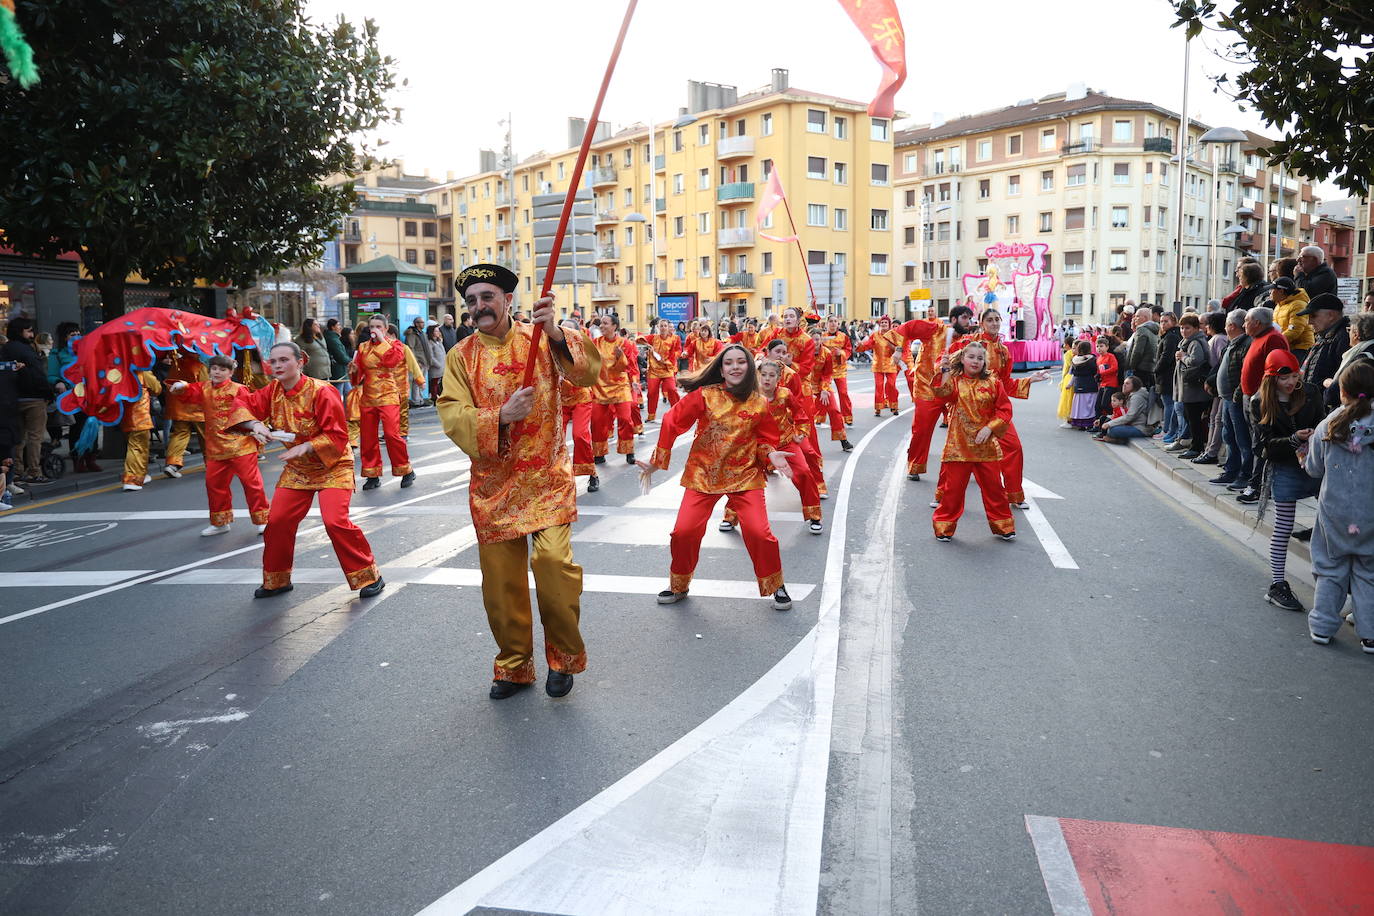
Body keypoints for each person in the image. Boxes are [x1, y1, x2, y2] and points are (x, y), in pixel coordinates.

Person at [436, 263, 600, 699]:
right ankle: (514, 666)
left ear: (507, 300)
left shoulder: (540, 339)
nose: (478, 307)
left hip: (546, 478)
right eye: (471, 302)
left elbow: (586, 374)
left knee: (552, 566)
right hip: (494, 486)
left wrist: (559, 334)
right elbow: (452, 415)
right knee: (501, 584)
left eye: (487, 297)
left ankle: (563, 658)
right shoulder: (461, 357)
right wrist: (500, 417)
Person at [641, 344, 795, 610]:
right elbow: (672, 421)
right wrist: (657, 462)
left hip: (744, 476)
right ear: (721, 369)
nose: (735, 367)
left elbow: (765, 440)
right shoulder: (705, 396)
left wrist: (770, 455)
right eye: (728, 363)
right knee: (683, 532)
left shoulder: (760, 403)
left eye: (740, 362)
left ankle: (774, 583)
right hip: (704, 475)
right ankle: (679, 585)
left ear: (749, 367)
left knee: (759, 533)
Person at [228, 341, 384, 600]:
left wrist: (308, 446)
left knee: (335, 521)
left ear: (300, 362)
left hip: (333, 465)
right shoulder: (272, 391)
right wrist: (256, 425)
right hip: (299, 469)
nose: (277, 366)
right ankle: (277, 580)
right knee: (277, 522)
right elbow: (243, 405)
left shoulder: (323, 391)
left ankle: (369, 576)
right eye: (273, 361)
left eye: (283, 360)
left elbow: (337, 434)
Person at [1302, 361, 1374, 652]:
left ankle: (1322, 626)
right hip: (1369, 513)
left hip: (1334, 512)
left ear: (1342, 391)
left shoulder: (1329, 425)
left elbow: (1314, 469)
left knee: (1330, 569)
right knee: (1368, 573)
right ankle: (1369, 634)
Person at [1251, 350, 1324, 612]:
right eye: (1285, 379)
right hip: (1285, 467)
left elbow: (1322, 421)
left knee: (1329, 522)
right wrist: (1294, 439)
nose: (1292, 383)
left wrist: (1317, 434)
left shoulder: (1311, 391)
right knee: (1283, 527)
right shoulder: (1259, 401)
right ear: (1272, 379)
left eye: (1295, 376)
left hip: (1316, 464)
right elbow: (1262, 447)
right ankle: (1277, 584)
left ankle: (1336, 583)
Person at [166, 355, 270, 536]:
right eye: (214, 369)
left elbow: (250, 410)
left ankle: (263, 520)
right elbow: (189, 391)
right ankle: (221, 523)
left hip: (240, 445)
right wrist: (181, 386)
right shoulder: (204, 388)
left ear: (230, 372)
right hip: (215, 447)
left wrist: (257, 429)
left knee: (252, 484)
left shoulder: (239, 389)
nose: (217, 372)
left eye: (222, 370)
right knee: (214, 485)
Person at [930, 341, 1015, 541]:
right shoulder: (956, 380)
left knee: (995, 490)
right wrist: (944, 371)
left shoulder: (993, 382)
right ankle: (944, 527)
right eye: (971, 357)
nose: (975, 361)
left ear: (985, 362)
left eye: (980, 358)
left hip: (985, 446)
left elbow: (1005, 410)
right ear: (962, 358)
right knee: (953, 491)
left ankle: (1004, 526)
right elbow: (942, 394)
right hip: (958, 446)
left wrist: (990, 428)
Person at [902, 305, 976, 480]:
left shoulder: (968, 340)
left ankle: (968, 464)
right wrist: (899, 350)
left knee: (969, 426)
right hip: (927, 389)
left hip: (952, 391)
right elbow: (904, 329)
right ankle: (915, 465)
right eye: (965, 318)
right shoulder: (934, 329)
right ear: (954, 319)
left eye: (970, 319)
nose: (969, 322)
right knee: (921, 430)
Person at [350, 314, 414, 490]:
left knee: (392, 434)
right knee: (368, 438)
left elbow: (392, 361)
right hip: (368, 396)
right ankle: (372, 475)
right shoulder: (362, 347)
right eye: (372, 327)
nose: (374, 330)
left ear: (386, 329)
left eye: (378, 327)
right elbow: (357, 378)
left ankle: (405, 470)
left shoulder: (396, 345)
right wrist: (354, 370)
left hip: (388, 394)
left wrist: (382, 341)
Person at [1236, 306, 1292, 504]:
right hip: (1250, 397)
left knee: (1260, 444)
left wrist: (1262, 396)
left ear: (1257, 323)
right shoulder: (1258, 337)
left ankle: (1256, 487)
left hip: (1262, 400)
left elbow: (1278, 372)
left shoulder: (1273, 338)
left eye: (1247, 321)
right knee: (1254, 443)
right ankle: (1255, 483)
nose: (1244, 325)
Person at [1, 317, 54, 484]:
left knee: (18, 437)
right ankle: (34, 471)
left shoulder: (5, 349)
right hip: (34, 398)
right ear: (20, 332)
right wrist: (49, 393)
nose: (32, 334)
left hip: (13, 398)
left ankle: (17, 471)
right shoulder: (27, 350)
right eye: (29, 331)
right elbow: (37, 375)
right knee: (35, 437)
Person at [1208, 308, 1255, 490]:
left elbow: (1243, 373)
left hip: (1235, 398)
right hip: (1227, 397)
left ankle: (1244, 474)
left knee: (1241, 438)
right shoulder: (1233, 342)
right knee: (1229, 435)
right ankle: (1231, 470)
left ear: (1231, 326)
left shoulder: (1245, 343)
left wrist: (1236, 394)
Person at [46, 321, 100, 472]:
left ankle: (91, 458)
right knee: (78, 427)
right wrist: (58, 382)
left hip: (92, 393)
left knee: (93, 424)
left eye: (78, 334)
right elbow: (51, 375)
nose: (76, 336)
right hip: (73, 395)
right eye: (72, 334)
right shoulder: (57, 354)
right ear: (64, 337)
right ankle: (78, 459)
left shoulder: (88, 350)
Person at [590, 313, 639, 466]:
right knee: (597, 421)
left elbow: (630, 366)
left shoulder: (625, 344)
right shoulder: (595, 343)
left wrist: (621, 358)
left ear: (614, 326)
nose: (602, 326)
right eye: (601, 324)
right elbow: (588, 363)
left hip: (620, 386)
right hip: (600, 387)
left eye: (605, 323)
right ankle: (599, 453)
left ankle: (628, 450)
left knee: (625, 418)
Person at [558, 317, 598, 492]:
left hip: (581, 397)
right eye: (561, 330)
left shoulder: (583, 350)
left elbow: (589, 372)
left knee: (580, 435)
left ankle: (592, 473)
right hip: (560, 400)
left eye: (568, 330)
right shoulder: (551, 349)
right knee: (555, 439)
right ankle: (559, 477)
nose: (563, 333)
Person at [1296, 293, 1351, 411]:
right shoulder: (1324, 335)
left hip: (1327, 408)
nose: (1309, 322)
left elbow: (1344, 378)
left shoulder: (1344, 338)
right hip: (1315, 405)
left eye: (1313, 316)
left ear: (1331, 315)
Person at [1171, 314, 1212, 460]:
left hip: (1194, 388)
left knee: (1193, 418)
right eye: (1182, 328)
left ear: (1196, 328)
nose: (1183, 331)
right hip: (1189, 387)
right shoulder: (1187, 341)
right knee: (1190, 417)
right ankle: (1196, 445)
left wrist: (1183, 357)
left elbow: (1196, 361)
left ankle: (1196, 447)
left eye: (1187, 328)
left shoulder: (1195, 342)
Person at [119, 368, 163, 491]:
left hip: (124, 416)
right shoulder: (142, 371)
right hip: (140, 415)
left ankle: (140, 475)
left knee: (136, 445)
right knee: (137, 446)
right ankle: (132, 479)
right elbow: (157, 388)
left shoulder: (118, 371)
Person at [856, 315, 902, 415]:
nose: (884, 324)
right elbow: (868, 344)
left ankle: (894, 406)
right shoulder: (875, 335)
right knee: (879, 386)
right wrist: (860, 345)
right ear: (880, 324)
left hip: (891, 364)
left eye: (886, 322)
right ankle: (878, 408)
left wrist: (892, 346)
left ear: (889, 324)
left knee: (891, 385)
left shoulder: (894, 335)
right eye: (882, 323)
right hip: (878, 364)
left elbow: (899, 348)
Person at [639, 318, 682, 423]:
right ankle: (651, 415)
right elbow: (639, 338)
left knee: (672, 389)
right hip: (654, 370)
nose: (663, 328)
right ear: (658, 327)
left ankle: (677, 413)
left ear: (668, 327)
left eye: (665, 326)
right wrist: (646, 344)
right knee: (652, 393)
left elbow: (678, 351)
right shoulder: (653, 338)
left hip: (667, 369)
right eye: (661, 326)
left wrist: (669, 359)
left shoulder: (675, 338)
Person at [1152, 312, 1183, 443]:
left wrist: (1156, 369)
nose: (1163, 324)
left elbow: (1166, 357)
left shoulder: (1171, 336)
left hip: (1167, 375)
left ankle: (1167, 430)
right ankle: (1169, 430)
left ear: (1174, 322)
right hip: (1167, 375)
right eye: (1162, 321)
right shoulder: (1168, 335)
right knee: (1169, 404)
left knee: (1169, 404)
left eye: (1166, 321)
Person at [1268, 277, 1313, 362]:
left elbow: (1295, 331)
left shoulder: (1298, 305)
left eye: (1272, 290)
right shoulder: (1279, 305)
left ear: (1281, 291)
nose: (1269, 293)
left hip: (1301, 349)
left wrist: (1276, 341)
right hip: (1286, 346)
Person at [1098, 377, 1155, 441]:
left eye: (1127, 384)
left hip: (1139, 428)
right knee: (1106, 422)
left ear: (1134, 385)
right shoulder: (1131, 395)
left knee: (1112, 430)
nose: (1124, 385)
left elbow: (1129, 416)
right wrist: (1107, 420)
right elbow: (1122, 414)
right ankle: (1116, 439)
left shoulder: (1137, 397)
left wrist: (1109, 424)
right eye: (1124, 383)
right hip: (1131, 425)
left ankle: (1119, 440)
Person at [823, 315, 854, 425]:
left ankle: (847, 417)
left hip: (840, 369)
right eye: (830, 321)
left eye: (835, 321)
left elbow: (849, 350)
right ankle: (820, 417)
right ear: (827, 323)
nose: (833, 323)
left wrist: (840, 353)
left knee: (843, 393)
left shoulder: (843, 336)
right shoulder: (822, 337)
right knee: (823, 392)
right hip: (825, 370)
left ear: (838, 324)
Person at [1066, 340, 1100, 430]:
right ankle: (1089, 423)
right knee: (1090, 405)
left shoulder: (1075, 360)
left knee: (1079, 406)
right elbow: (1095, 371)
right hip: (1090, 384)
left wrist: (1070, 384)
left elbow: (1073, 374)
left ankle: (1080, 424)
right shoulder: (1092, 359)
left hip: (1078, 384)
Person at [403, 316, 431, 406]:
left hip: (424, 361)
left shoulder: (422, 333)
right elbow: (410, 348)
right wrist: (416, 361)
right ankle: (415, 400)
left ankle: (420, 399)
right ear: (416, 324)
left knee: (421, 381)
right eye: (421, 322)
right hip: (418, 362)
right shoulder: (412, 334)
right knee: (416, 381)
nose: (423, 324)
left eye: (423, 322)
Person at [298, 318, 332, 382]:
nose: (318, 326)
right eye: (315, 324)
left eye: (318, 324)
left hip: (325, 372)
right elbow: (299, 354)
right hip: (313, 373)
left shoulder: (320, 337)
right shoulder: (301, 339)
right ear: (309, 326)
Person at [324, 319, 352, 394]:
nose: (340, 327)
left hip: (341, 370)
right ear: (333, 327)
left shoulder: (335, 338)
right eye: (338, 325)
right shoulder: (333, 339)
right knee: (338, 393)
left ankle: (348, 406)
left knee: (348, 392)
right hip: (338, 370)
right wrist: (351, 361)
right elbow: (340, 355)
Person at [422, 323, 445, 402]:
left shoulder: (439, 341)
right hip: (436, 367)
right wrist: (438, 364)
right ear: (432, 332)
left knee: (439, 383)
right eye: (436, 331)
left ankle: (440, 396)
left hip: (442, 366)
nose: (438, 333)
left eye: (438, 331)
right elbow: (431, 356)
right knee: (434, 383)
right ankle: (434, 397)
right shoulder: (430, 342)